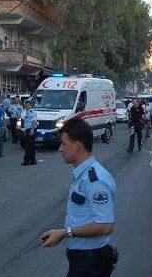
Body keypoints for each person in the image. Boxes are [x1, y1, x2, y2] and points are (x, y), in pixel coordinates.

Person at [39, 118, 117, 276]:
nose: (60, 148)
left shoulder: (95, 179)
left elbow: (105, 225)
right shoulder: (82, 174)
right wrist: (61, 232)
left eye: (64, 143)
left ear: (77, 146)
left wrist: (65, 233)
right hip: (83, 259)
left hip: (91, 262)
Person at [21, 100, 38, 166]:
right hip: (28, 129)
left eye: (28, 105)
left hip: (31, 129)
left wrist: (32, 130)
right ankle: (33, 160)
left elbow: (34, 121)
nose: (27, 107)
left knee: (28, 146)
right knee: (31, 146)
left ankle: (26, 161)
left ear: (31, 106)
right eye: (26, 105)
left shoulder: (32, 112)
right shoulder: (26, 112)